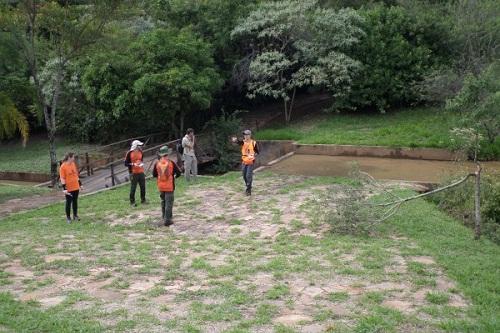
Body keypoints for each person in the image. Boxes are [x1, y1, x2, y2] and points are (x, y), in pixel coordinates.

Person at [153, 146, 182, 226]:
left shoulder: (157, 163)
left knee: (163, 201)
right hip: (169, 186)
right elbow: (179, 173)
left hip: (161, 186)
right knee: (169, 203)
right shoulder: (171, 163)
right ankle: (167, 220)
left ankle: (164, 217)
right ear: (167, 154)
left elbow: (154, 174)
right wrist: (174, 177)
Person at [232, 129, 259, 196]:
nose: (245, 136)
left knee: (248, 176)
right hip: (244, 161)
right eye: (244, 135)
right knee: (244, 176)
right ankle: (248, 185)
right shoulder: (243, 142)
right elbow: (238, 142)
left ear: (250, 135)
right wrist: (235, 140)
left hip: (250, 161)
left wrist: (252, 156)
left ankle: (248, 190)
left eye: (247, 135)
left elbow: (257, 152)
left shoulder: (253, 143)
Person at [59, 152, 82, 223]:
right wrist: (64, 188)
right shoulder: (63, 167)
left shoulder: (73, 164)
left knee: (75, 201)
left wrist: (80, 184)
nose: (74, 158)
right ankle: (68, 218)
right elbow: (62, 178)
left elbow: (76, 175)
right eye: (73, 157)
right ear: (69, 157)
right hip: (68, 188)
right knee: (68, 202)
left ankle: (75, 215)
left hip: (75, 186)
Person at [125, 140, 147, 207]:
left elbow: (141, 161)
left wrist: (141, 166)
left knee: (143, 187)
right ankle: (132, 202)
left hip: (141, 172)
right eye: (139, 145)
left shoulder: (141, 152)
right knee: (133, 188)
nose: (141, 146)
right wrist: (133, 164)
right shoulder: (129, 153)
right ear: (136, 146)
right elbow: (126, 163)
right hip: (133, 173)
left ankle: (143, 200)